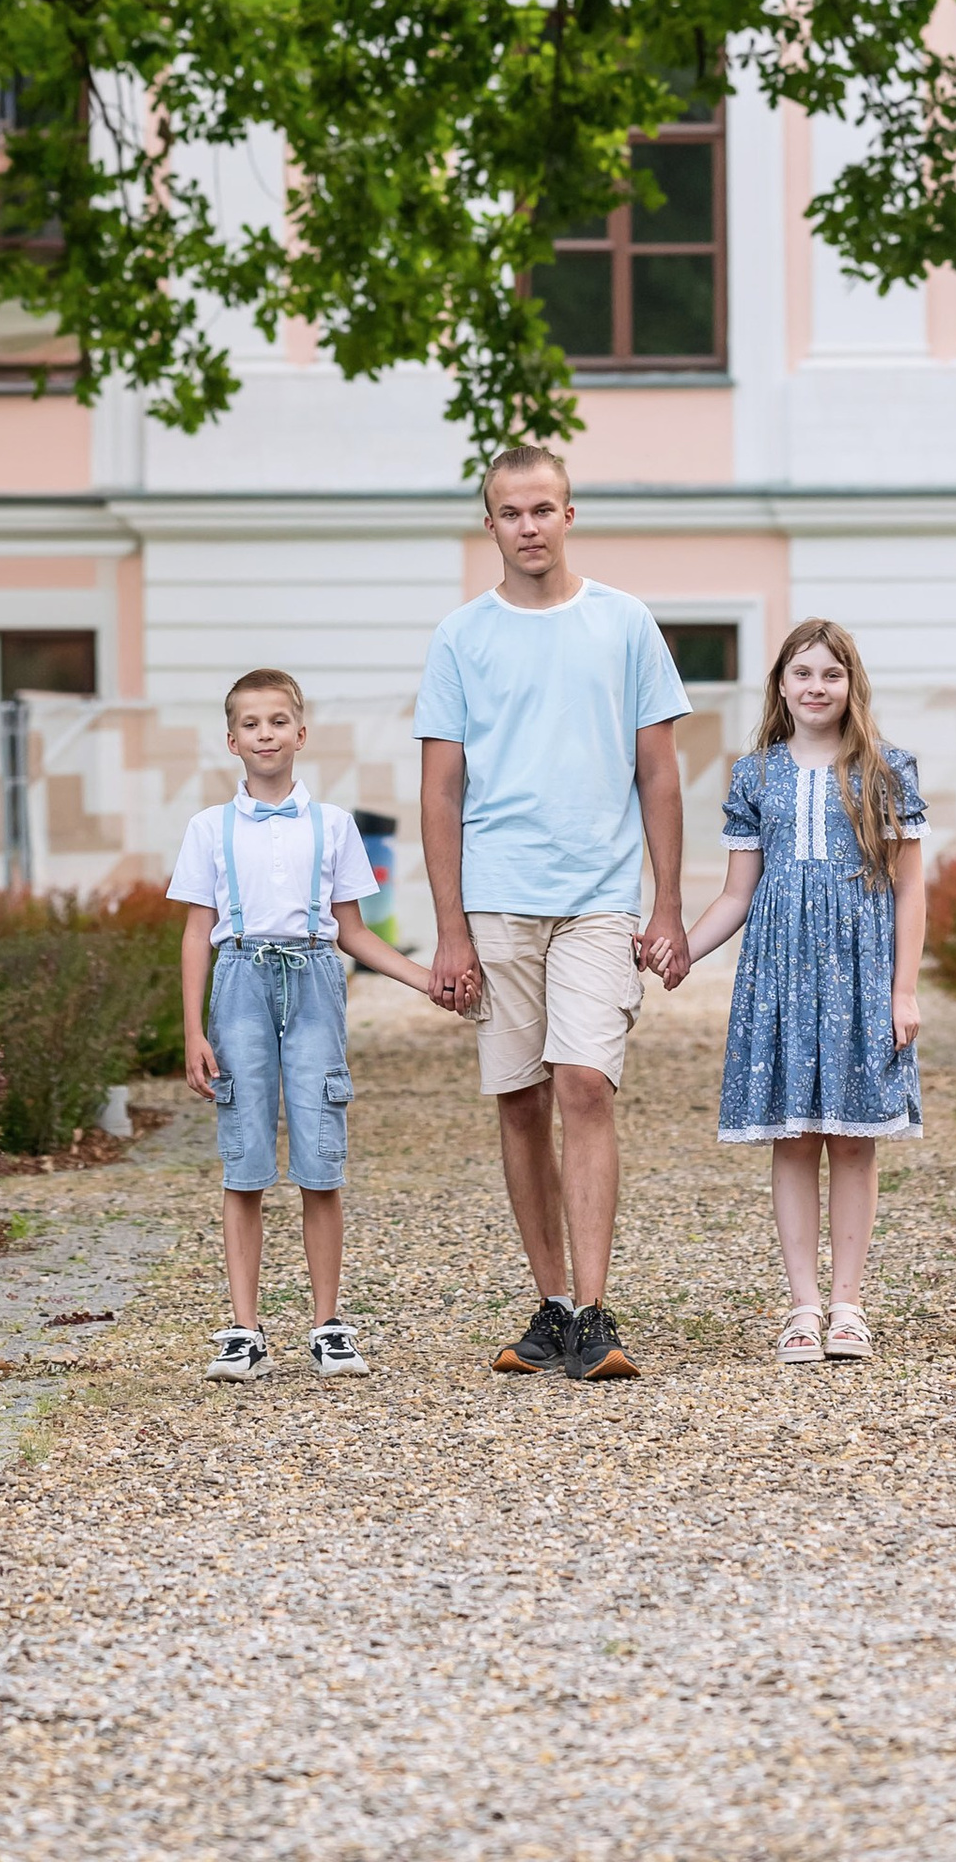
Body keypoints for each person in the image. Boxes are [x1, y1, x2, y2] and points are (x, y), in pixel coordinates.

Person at [416, 441, 693, 1384]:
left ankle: (597, 1310)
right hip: (497, 897)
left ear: (569, 515)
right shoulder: (461, 637)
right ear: (488, 523)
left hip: (599, 897)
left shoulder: (625, 623)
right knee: (522, 1100)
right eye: (510, 512)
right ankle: (551, 1306)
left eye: (543, 509)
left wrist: (670, 903)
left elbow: (659, 772)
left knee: (585, 1084)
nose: (528, 527)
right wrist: (449, 927)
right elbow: (440, 790)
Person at [170, 664, 444, 1380]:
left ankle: (328, 1325)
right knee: (246, 1158)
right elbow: (198, 932)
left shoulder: (334, 826)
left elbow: (353, 930)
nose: (266, 734)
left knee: (320, 1155)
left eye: (278, 721)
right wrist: (194, 1031)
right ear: (231, 740)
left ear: (301, 732)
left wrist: (426, 980)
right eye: (251, 724)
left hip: (316, 979)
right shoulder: (208, 828)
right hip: (239, 986)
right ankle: (243, 1328)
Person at [682, 616, 925, 1365]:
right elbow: (735, 895)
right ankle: (802, 1308)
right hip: (779, 976)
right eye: (802, 674)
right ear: (781, 686)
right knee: (792, 1139)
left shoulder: (887, 769)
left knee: (853, 1142)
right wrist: (679, 952)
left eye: (830, 674)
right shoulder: (754, 775)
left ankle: (849, 1305)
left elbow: (912, 890)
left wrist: (904, 991)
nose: (815, 687)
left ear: (851, 684)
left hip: (860, 974)